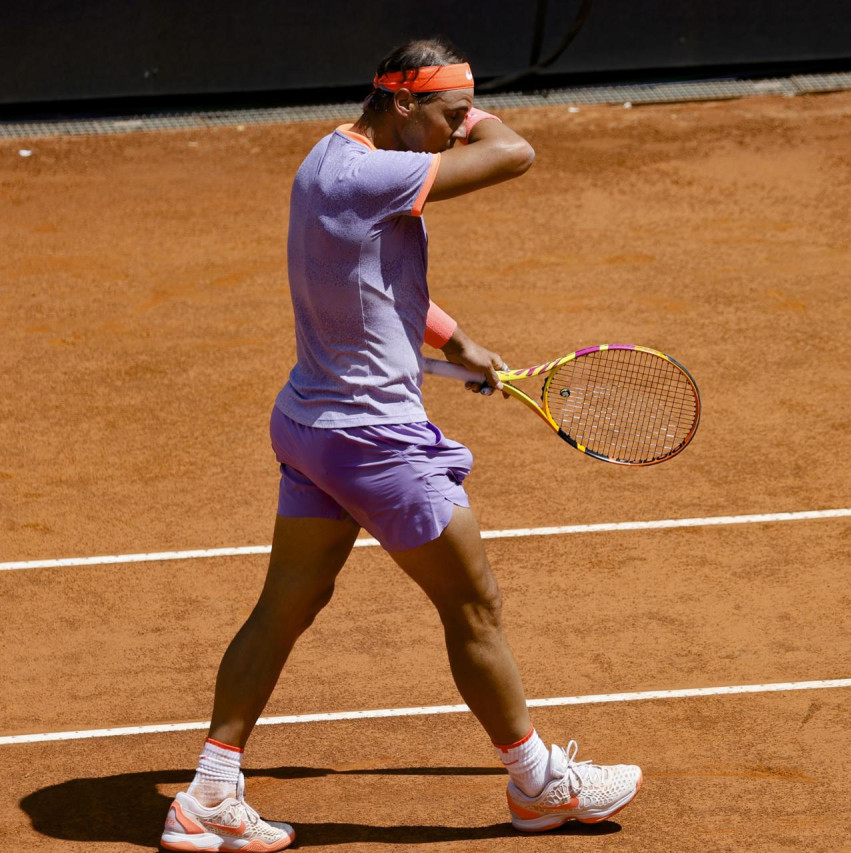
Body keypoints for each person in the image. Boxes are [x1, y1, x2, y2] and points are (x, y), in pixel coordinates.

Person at [159, 38, 642, 853]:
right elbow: (514, 153)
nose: (459, 132)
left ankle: (208, 791)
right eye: (449, 115)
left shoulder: (328, 160)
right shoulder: (376, 174)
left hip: (311, 427)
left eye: (463, 116)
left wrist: (454, 342)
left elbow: (370, 276)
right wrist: (477, 114)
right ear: (402, 101)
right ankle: (539, 783)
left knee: (287, 605)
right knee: (474, 605)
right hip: (377, 443)